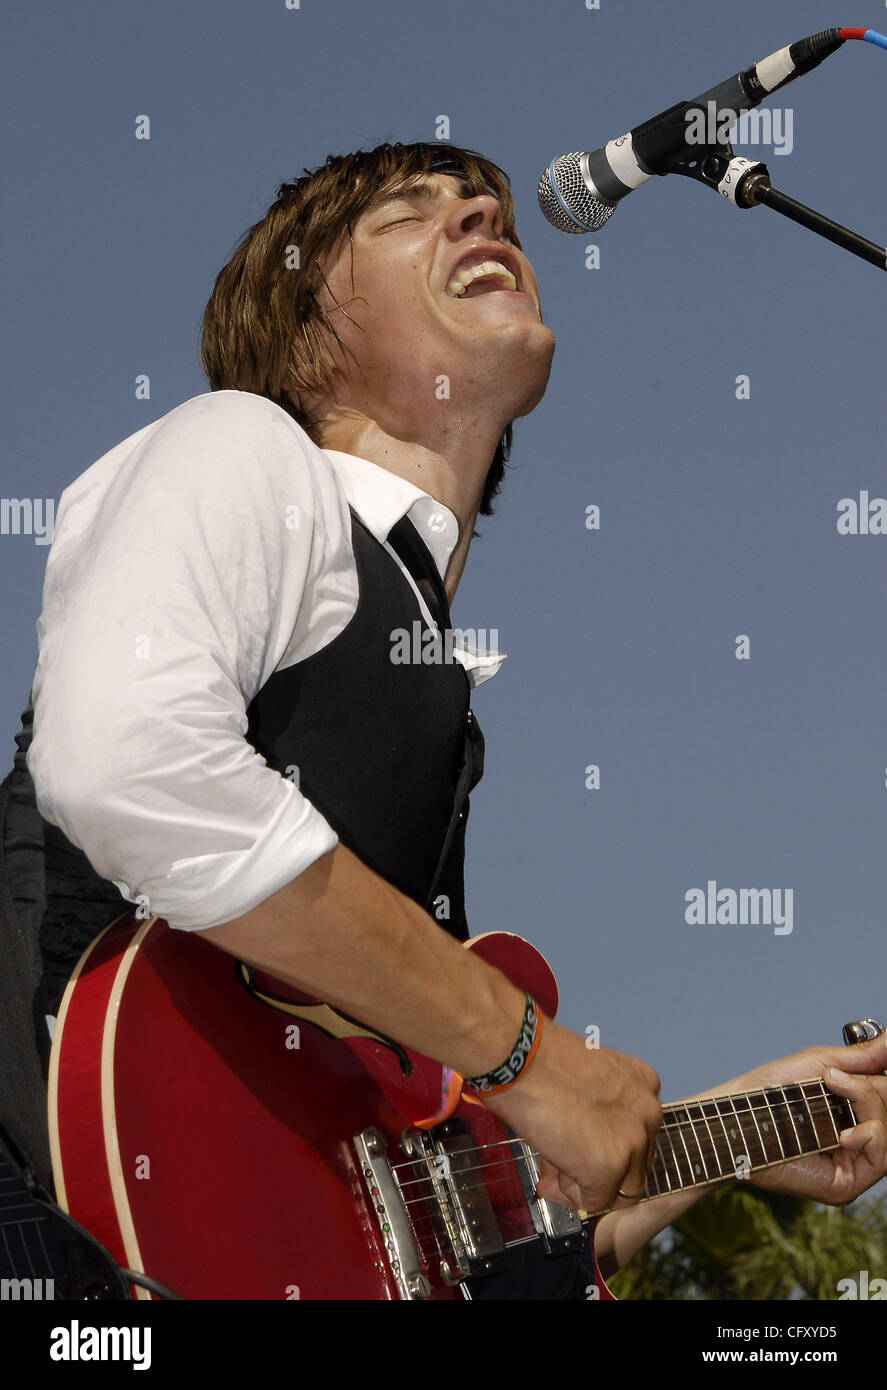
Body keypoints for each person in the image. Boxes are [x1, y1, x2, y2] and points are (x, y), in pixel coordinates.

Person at [12, 141, 887, 1301]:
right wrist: (525, 1050)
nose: (483, 209)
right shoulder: (239, 447)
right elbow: (131, 764)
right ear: (307, 327)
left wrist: (721, 1133)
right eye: (405, 214)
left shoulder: (419, 701)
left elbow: (429, 1228)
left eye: (482, 207)